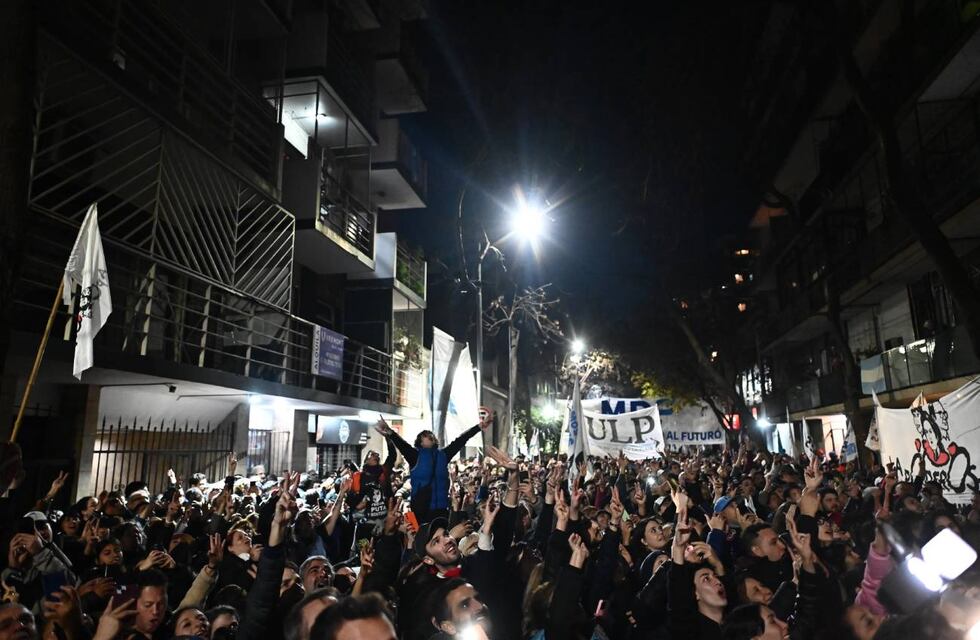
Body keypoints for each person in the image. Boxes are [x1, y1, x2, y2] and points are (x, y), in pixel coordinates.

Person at [375, 415, 492, 523]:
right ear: (420, 441)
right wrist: (389, 431)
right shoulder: (415, 456)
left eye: (431, 435)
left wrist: (478, 427)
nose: (430, 436)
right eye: (425, 436)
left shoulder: (443, 455)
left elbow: (461, 440)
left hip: (441, 508)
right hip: (421, 509)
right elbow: (402, 444)